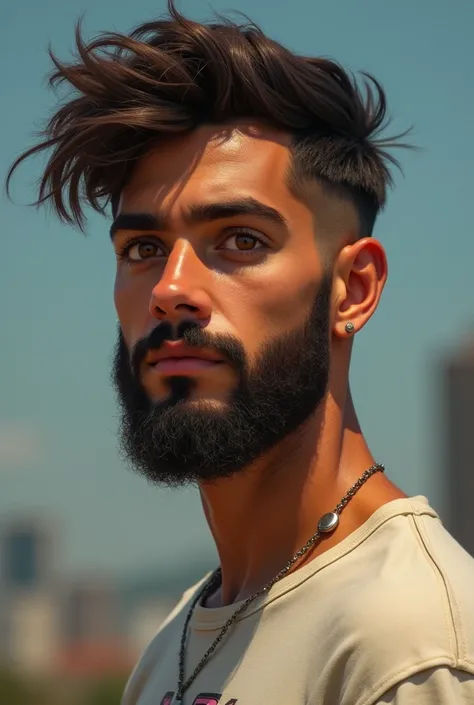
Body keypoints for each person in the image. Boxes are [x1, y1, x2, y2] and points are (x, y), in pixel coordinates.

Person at [7, 1, 474, 703]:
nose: (170, 290)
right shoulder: (177, 641)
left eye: (240, 240)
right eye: (143, 249)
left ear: (353, 288)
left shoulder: (409, 643)